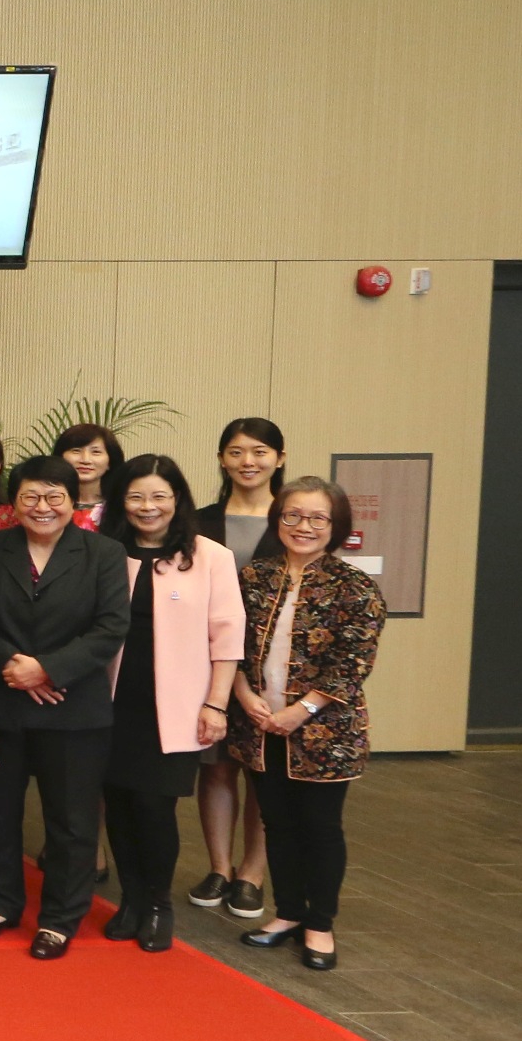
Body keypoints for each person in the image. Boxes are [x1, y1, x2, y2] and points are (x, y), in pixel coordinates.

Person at [0, 454, 131, 958]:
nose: (42, 507)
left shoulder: (103, 553)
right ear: (13, 502)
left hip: (73, 706)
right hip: (2, 701)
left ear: (72, 502)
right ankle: (2, 902)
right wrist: (13, 667)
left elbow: (111, 627)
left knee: (71, 820)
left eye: (54, 497)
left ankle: (60, 916)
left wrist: (48, 669)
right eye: (31, 497)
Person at [230, 479, 385, 973]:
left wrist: (302, 710)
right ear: (278, 519)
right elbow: (225, 643)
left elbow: (353, 661)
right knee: (276, 822)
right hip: (257, 723)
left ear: (336, 527)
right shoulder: (253, 576)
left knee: (319, 827)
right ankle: (288, 913)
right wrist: (244, 696)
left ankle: (320, 922)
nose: (303, 527)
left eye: (318, 518)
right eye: (293, 515)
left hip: (325, 733)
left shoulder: (355, 586)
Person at [97, 454, 245, 954]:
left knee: (154, 806)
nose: (148, 506)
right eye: (136, 495)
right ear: (121, 500)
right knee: (117, 804)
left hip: (176, 707)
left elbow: (227, 640)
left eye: (160, 495)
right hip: (109, 703)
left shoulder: (209, 556)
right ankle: (131, 899)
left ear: (178, 499)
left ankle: (158, 902)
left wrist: (217, 705)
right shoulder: (103, 551)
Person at [190, 416, 284, 917]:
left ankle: (253, 872)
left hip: (277, 672)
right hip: (210, 664)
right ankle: (220, 866)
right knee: (218, 767)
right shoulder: (199, 521)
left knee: (262, 774)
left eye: (260, 451)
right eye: (237, 452)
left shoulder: (294, 520)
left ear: (279, 459)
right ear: (222, 459)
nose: (248, 461)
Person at [51, 424, 124, 531]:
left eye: (96, 452)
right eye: (76, 451)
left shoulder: (120, 507)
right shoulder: (46, 505)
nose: (85, 460)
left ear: (110, 462)